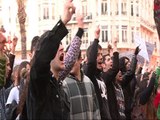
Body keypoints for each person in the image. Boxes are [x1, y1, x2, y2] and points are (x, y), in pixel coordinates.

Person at [26, 0, 76, 119]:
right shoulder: (39, 84)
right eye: (57, 45)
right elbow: (40, 60)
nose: (62, 48)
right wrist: (63, 22)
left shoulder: (59, 87)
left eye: (62, 44)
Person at [84, 26, 111, 120]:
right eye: (97, 54)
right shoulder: (89, 75)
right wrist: (96, 38)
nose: (100, 57)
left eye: (101, 54)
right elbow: (91, 63)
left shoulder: (101, 76)